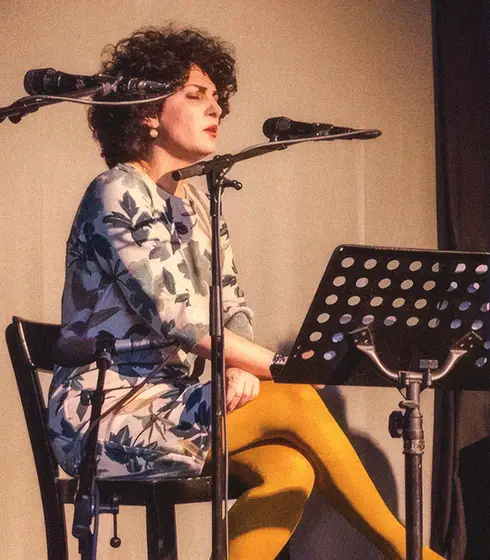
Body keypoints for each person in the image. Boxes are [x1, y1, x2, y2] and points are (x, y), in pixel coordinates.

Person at [46, 25, 443, 560]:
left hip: (175, 404)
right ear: (145, 111)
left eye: (218, 98)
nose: (216, 110)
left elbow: (228, 307)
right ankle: (414, 554)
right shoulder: (118, 189)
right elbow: (179, 318)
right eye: (196, 96)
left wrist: (241, 364)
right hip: (107, 413)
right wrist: (281, 366)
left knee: (289, 466)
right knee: (297, 395)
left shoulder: (195, 201)